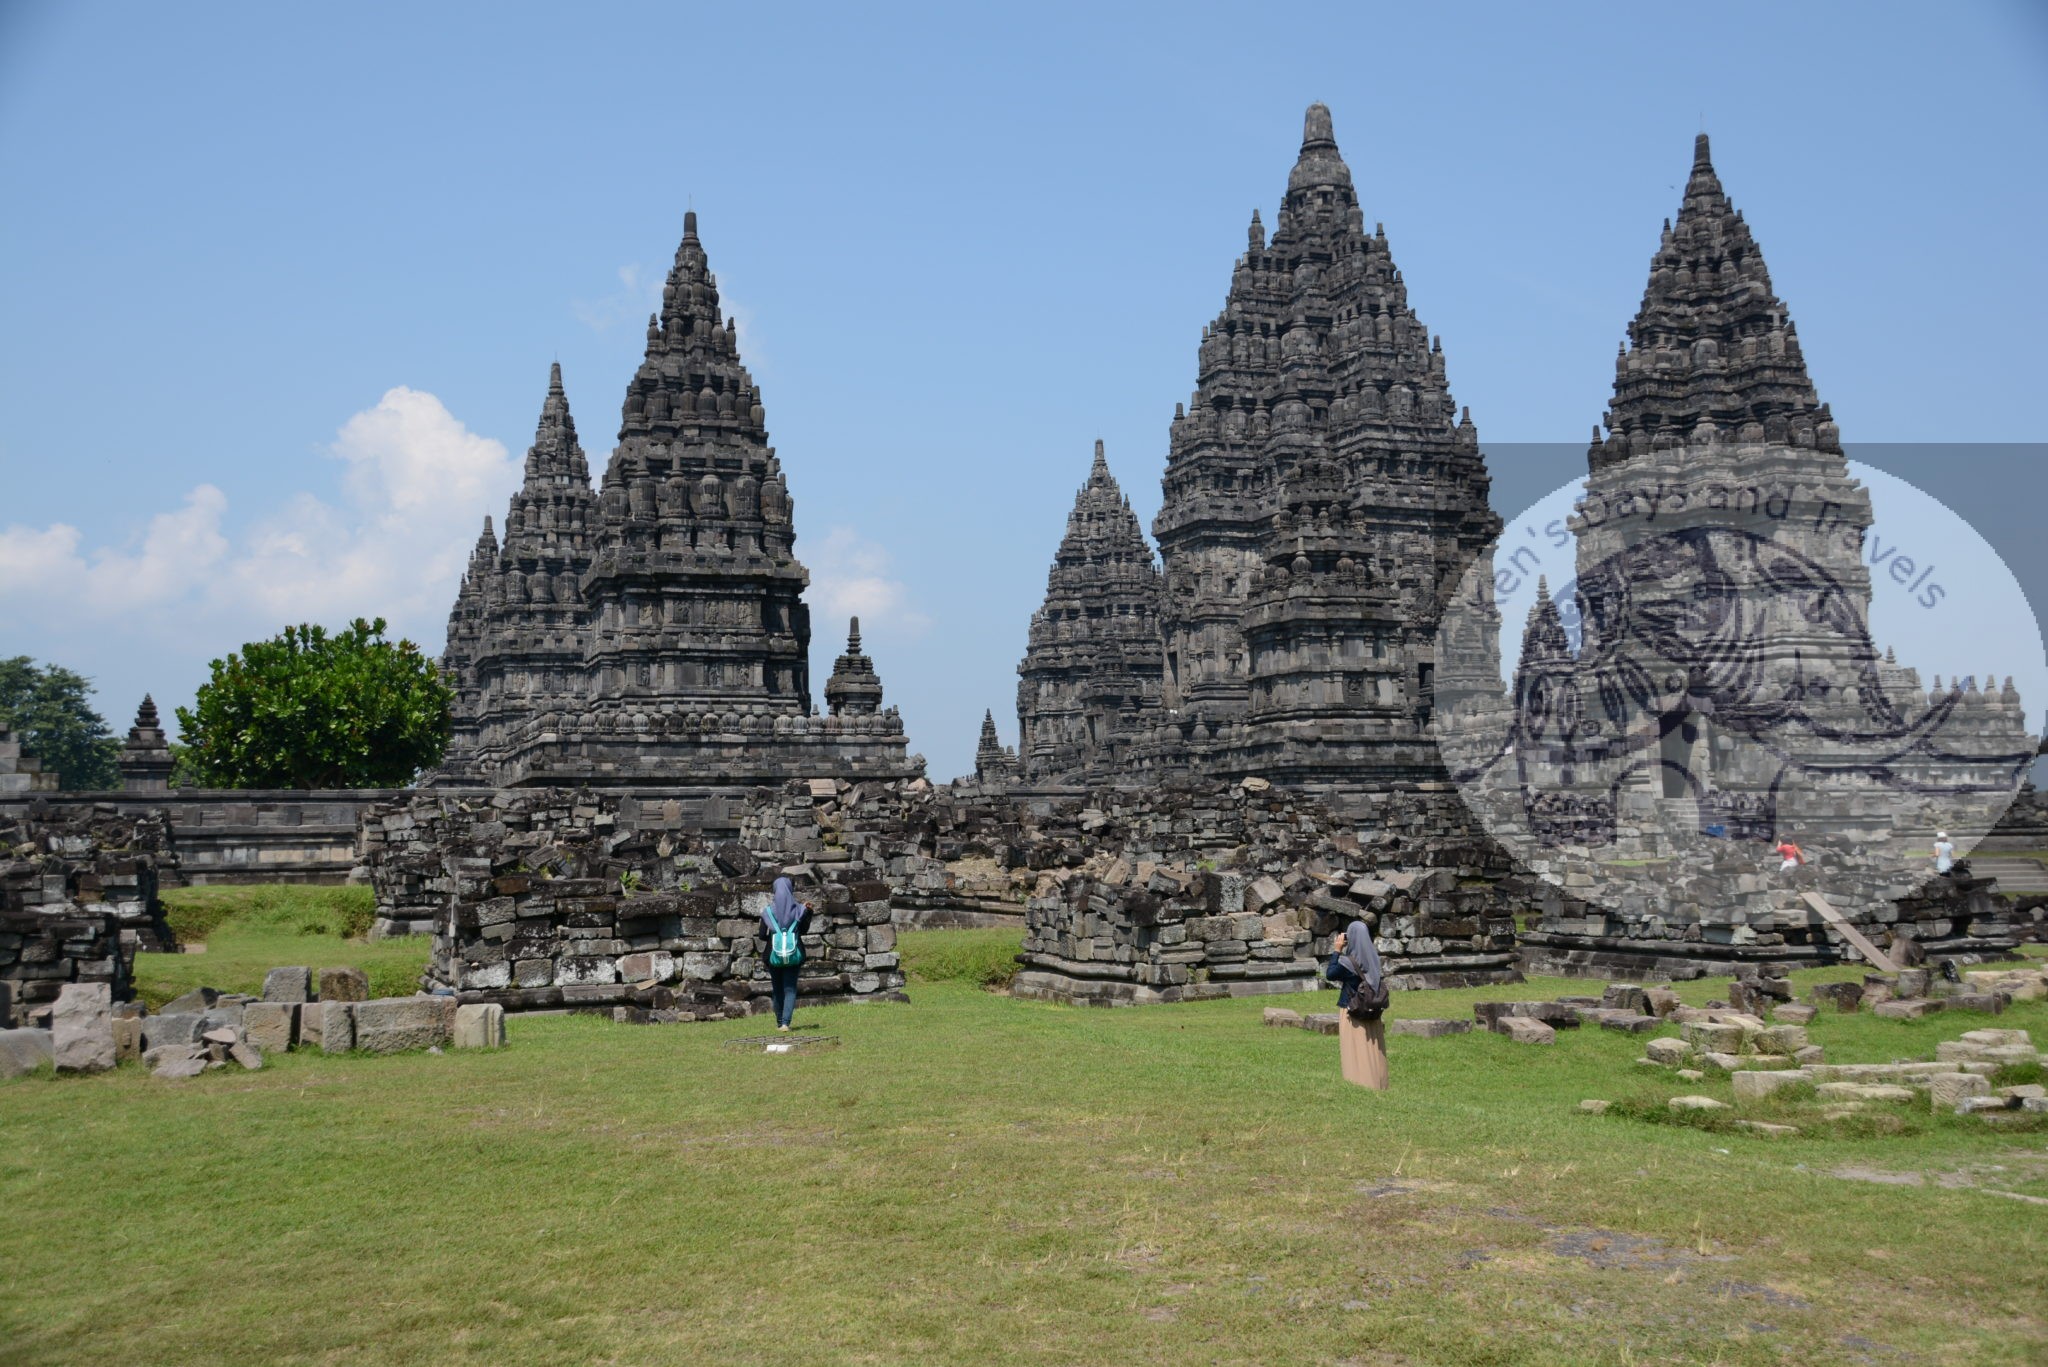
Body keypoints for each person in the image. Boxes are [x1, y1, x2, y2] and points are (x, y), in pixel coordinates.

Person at [1324, 918, 1389, 1091]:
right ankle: (1378, 1081)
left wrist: (1337, 951)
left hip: (1353, 1010)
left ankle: (1359, 1082)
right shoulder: (1373, 958)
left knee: (1356, 1049)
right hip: (1371, 1010)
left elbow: (1330, 974)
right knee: (1373, 1049)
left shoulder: (1348, 963)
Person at [761, 877, 812, 1032]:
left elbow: (762, 936)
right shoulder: (799, 910)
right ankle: (785, 1023)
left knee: (777, 989)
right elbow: (803, 931)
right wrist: (809, 913)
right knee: (790, 988)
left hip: (773, 955)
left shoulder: (768, 912)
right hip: (794, 954)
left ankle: (778, 1022)